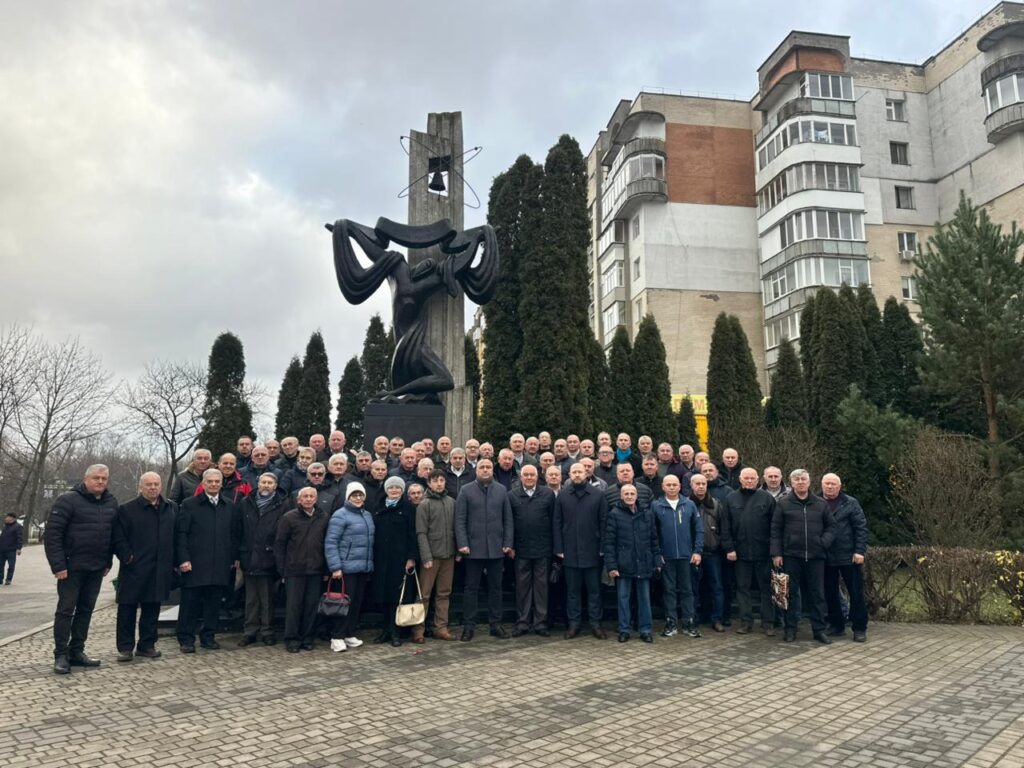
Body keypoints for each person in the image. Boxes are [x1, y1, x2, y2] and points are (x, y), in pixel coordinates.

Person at [45, 464, 118, 674]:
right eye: (96, 478)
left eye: (104, 478)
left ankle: (77, 651)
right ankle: (61, 654)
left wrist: (108, 562)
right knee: (65, 611)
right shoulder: (68, 500)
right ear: (86, 479)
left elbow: (112, 535)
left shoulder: (111, 502)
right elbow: (52, 535)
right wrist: (58, 565)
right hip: (70, 569)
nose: (100, 482)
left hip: (96, 568)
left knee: (86, 610)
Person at [112, 472, 176, 662]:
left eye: (156, 484)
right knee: (127, 609)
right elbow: (118, 537)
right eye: (148, 484)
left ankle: (147, 645)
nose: (153, 488)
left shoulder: (170, 508)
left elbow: (176, 535)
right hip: (134, 568)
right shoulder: (127, 509)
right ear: (140, 487)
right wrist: (127, 557)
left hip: (159, 568)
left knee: (152, 608)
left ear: (161, 486)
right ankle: (125, 647)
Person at [175, 468, 235, 654]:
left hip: (219, 564)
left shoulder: (228, 505)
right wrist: (183, 559)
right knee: (190, 604)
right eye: (210, 481)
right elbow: (181, 534)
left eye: (217, 481)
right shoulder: (189, 504)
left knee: (213, 604)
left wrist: (232, 558)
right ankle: (186, 639)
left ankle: (208, 637)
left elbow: (233, 534)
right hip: (195, 564)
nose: (214, 484)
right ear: (203, 483)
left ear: (221, 484)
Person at [771, 469, 835, 644]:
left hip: (816, 556)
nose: (800, 482)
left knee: (817, 594)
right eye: (797, 479)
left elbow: (831, 527)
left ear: (809, 481)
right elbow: (775, 530)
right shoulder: (783, 504)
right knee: (789, 594)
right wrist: (776, 553)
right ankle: (790, 629)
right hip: (791, 556)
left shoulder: (821, 504)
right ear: (791, 483)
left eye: (803, 479)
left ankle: (819, 630)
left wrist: (823, 542)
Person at [455, 458, 513, 641]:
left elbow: (508, 519)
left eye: (488, 467)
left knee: (496, 588)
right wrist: (462, 543)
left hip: (496, 548)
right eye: (482, 467)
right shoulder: (466, 490)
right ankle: (468, 626)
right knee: (471, 589)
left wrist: (508, 542)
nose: (486, 470)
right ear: (476, 470)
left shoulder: (501, 490)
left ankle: (495, 624)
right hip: (473, 549)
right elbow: (460, 520)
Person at [554, 463, 608, 640]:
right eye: (574, 472)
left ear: (586, 473)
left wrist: (603, 547)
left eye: (580, 472)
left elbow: (604, 522)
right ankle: (574, 624)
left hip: (593, 551)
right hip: (569, 551)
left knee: (594, 591)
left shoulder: (598, 495)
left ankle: (596, 624)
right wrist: (559, 548)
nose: (577, 475)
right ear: (569, 474)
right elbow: (557, 523)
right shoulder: (563, 496)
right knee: (572, 591)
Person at [721, 467, 776, 636]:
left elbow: (775, 527)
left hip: (763, 552)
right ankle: (746, 622)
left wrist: (774, 550)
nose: (750, 481)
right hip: (740, 553)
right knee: (742, 588)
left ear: (758, 480)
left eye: (753, 478)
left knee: (766, 588)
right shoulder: (731, 498)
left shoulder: (767, 498)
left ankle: (768, 623)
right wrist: (729, 548)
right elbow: (725, 526)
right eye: (746, 478)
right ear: (740, 479)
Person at [604, 485, 661, 644]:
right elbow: (609, 543)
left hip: (644, 561)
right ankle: (624, 629)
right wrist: (612, 566)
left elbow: (654, 539)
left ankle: (645, 630)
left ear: (636, 496)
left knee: (644, 598)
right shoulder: (614, 514)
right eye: (626, 494)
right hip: (624, 562)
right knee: (623, 598)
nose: (629, 496)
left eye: (632, 493)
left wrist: (657, 560)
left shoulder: (647, 513)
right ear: (621, 496)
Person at [274, 487, 329, 653]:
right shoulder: (289, 517)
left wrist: (326, 569)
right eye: (305, 496)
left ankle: (307, 638)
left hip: (315, 569)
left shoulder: (323, 517)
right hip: (294, 570)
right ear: (299, 500)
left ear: (316, 499)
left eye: (312, 496)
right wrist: (282, 570)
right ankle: (292, 639)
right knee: (294, 606)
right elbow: (280, 545)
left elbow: (326, 544)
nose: (308, 499)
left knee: (311, 606)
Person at [235, 473, 286, 647]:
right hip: (249, 557)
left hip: (269, 557)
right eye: (263, 482)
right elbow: (238, 530)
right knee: (251, 599)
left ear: (275, 485)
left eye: (270, 482)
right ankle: (250, 631)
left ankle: (267, 631)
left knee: (267, 599)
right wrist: (238, 555)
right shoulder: (246, 502)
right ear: (258, 483)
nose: (266, 485)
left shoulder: (283, 504)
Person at [324, 483, 374, 653]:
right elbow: (331, 542)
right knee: (342, 604)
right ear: (348, 497)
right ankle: (336, 636)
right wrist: (335, 566)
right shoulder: (340, 515)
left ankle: (349, 633)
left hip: (362, 567)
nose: (358, 498)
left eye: (360, 495)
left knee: (356, 603)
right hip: (345, 568)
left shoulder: (367, 515)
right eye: (354, 495)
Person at [652, 474, 703, 638]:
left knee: (688, 590)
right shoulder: (656, 506)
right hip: (666, 557)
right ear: (663, 487)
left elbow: (699, 530)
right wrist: (657, 554)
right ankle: (671, 622)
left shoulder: (689, 505)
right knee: (669, 591)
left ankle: (688, 622)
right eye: (669, 485)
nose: (672, 487)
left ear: (680, 486)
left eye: (675, 484)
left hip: (687, 557)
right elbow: (653, 533)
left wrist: (697, 551)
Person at [509, 464, 556, 636]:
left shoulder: (548, 494)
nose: (529, 478)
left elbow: (554, 521)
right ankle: (522, 622)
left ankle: (540, 623)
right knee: (522, 587)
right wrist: (511, 545)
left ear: (537, 477)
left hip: (543, 549)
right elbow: (509, 523)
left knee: (541, 588)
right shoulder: (512, 495)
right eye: (526, 475)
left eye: (532, 475)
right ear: (521, 477)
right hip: (521, 549)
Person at [371, 477, 419, 647]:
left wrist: (411, 557)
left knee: (396, 596)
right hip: (381, 559)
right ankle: (385, 629)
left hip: (400, 559)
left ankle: (395, 631)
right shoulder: (378, 507)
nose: (394, 490)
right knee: (382, 596)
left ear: (402, 490)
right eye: (391, 487)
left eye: (397, 488)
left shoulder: (408, 508)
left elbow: (413, 534)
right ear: (386, 489)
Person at [821, 473, 868, 643]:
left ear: (840, 486)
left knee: (855, 592)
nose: (830, 486)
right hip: (825, 555)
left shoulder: (850, 502)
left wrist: (859, 551)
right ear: (821, 485)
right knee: (829, 592)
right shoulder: (816, 502)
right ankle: (836, 624)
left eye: (833, 484)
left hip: (848, 555)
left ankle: (859, 627)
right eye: (827, 483)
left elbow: (860, 527)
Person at [415, 470, 458, 641]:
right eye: (435, 481)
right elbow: (421, 532)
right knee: (424, 595)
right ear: (429, 483)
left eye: (441, 480)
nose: (439, 483)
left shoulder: (451, 502)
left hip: (448, 556)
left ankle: (441, 627)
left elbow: (456, 528)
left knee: (444, 593)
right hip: (431, 557)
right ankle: (418, 629)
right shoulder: (424, 504)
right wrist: (426, 557)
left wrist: (457, 551)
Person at [690, 473, 726, 632]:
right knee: (693, 588)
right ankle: (693, 618)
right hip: (692, 554)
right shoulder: (686, 504)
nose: (700, 486)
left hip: (712, 552)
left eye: (703, 484)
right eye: (697, 484)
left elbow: (724, 527)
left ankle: (717, 619)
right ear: (691, 485)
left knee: (716, 587)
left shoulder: (716, 505)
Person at [1, 511, 23, 585]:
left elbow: (20, 538)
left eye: (7, 517)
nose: (6, 518)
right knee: (0, 565)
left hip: (11, 550)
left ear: (12, 518)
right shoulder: (5, 526)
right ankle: (0, 579)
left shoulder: (17, 526)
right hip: (2, 549)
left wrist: (19, 548)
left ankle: (8, 579)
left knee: (11, 565)